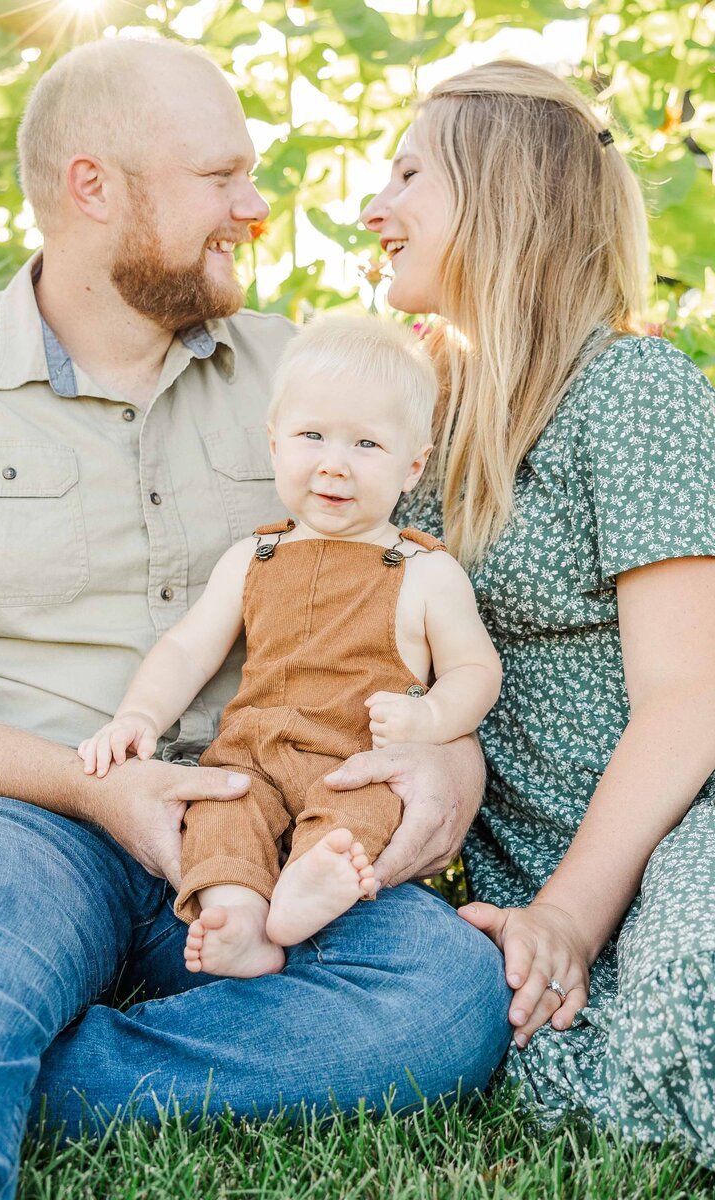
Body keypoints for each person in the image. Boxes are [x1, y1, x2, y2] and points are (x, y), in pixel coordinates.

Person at [0, 38, 511, 1200]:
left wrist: (450, 764)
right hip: (25, 822)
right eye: (221, 176)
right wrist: (90, 785)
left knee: (443, 1000)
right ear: (97, 187)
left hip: (287, 824)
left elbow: (424, 620)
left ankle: (7, 1064)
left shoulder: (313, 381)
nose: (256, 205)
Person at [361, 59, 715, 1165]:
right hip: (538, 877)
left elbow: (690, 694)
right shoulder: (414, 416)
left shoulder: (631, 392)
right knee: (498, 1025)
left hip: (676, 834)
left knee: (679, 991)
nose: (373, 208)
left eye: (408, 173)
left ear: (502, 192)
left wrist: (568, 909)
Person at [79, 316, 502, 978]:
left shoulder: (422, 570)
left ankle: (314, 880)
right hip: (253, 755)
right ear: (275, 444)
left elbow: (475, 670)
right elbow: (189, 649)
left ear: (411, 466)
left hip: (355, 759)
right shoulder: (255, 556)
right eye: (312, 437)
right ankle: (241, 915)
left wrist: (429, 720)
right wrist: (140, 717)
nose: (334, 463)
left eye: (366, 444)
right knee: (222, 810)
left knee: (362, 809)